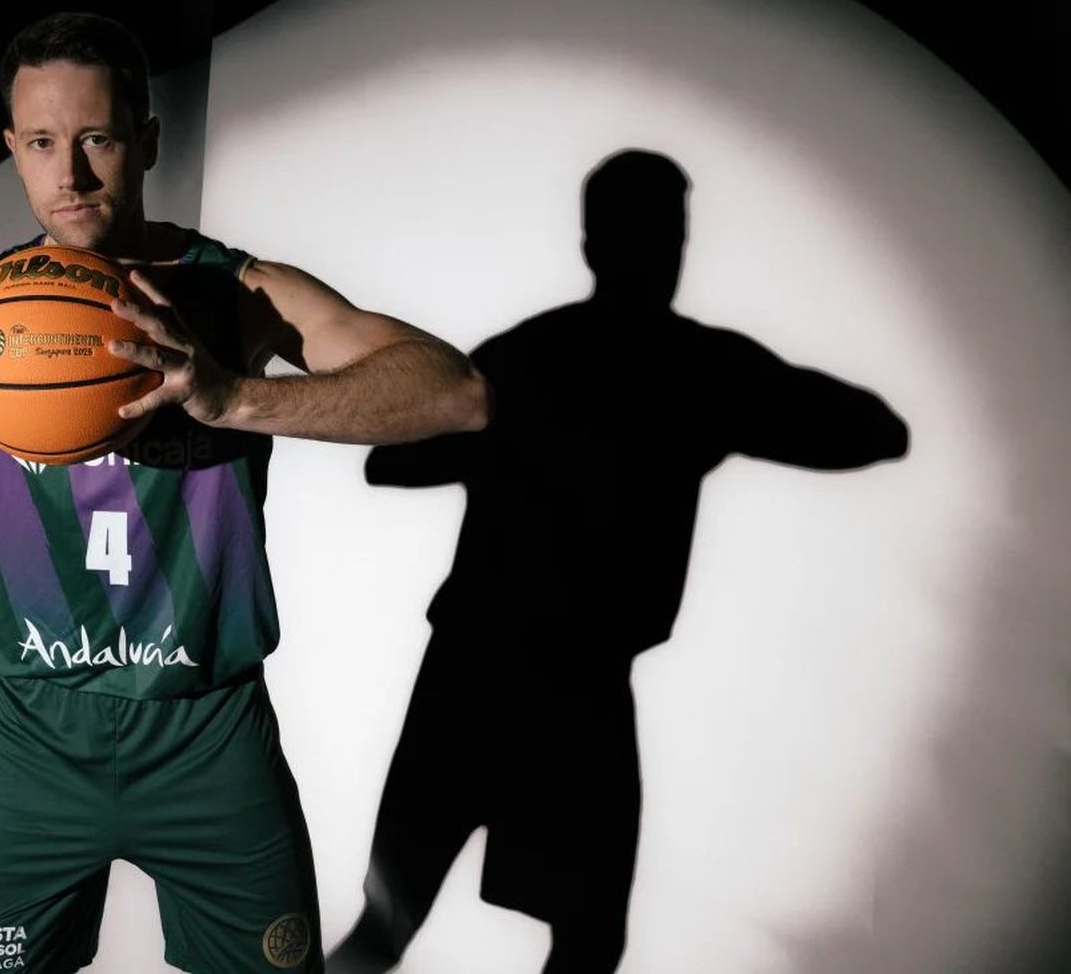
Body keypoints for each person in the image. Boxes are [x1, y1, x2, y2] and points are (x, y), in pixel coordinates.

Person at [0, 10, 490, 974]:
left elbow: (453, 391)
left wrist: (232, 393)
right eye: (42, 143)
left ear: (147, 141)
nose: (71, 173)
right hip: (34, 740)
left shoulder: (231, 294)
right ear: (12, 149)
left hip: (209, 732)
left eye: (96, 138)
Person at [327, 149, 911, 974]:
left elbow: (394, 458)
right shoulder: (688, 369)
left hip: (505, 676)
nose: (663, 254)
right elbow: (875, 430)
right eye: (659, 234)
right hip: (531, 681)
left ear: (593, 244)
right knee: (562, 937)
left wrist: (506, 438)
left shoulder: (545, 359)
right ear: (611, 244)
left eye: (668, 236)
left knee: (421, 931)